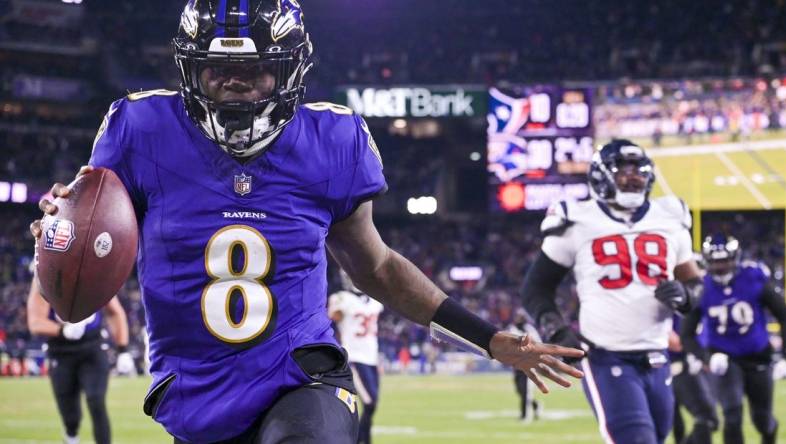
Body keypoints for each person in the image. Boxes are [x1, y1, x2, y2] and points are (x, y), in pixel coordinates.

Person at [30, 1, 584, 443]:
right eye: (217, 69)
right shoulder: (140, 129)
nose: (234, 84)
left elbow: (380, 269)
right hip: (195, 389)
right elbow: (89, 244)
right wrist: (62, 233)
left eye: (254, 71)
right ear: (188, 68)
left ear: (290, 69)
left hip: (301, 374)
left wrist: (488, 339)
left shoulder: (331, 141)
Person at [521, 139, 705, 444]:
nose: (633, 178)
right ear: (602, 176)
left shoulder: (670, 218)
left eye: (639, 172)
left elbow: (696, 284)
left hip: (657, 355)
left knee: (656, 438)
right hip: (607, 356)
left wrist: (686, 296)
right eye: (624, 171)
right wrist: (554, 329)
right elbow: (536, 287)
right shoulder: (577, 219)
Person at [681, 234, 786, 444]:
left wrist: (784, 355)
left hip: (758, 356)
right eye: (715, 261)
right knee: (732, 414)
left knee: (762, 419)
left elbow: (783, 314)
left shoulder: (753, 278)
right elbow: (687, 333)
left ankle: (769, 436)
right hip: (724, 359)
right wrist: (706, 358)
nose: (720, 267)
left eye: (725, 261)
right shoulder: (702, 288)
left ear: (736, 258)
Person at [26, 277, 133, 444]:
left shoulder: (96, 272)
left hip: (92, 347)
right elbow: (35, 322)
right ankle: (71, 436)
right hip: (60, 352)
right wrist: (62, 331)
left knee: (96, 401)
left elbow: (115, 311)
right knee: (71, 417)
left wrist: (123, 349)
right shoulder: (46, 274)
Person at [328, 271, 384, 444]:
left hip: (371, 359)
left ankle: (359, 439)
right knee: (369, 403)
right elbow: (332, 317)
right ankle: (362, 440)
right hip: (354, 358)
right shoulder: (341, 298)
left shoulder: (374, 302)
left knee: (372, 404)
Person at [668, 318, 717, 444]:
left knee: (679, 425)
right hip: (677, 366)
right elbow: (676, 343)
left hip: (687, 364)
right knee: (707, 418)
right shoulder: (673, 303)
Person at [508, 309, 543, 423]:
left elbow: (538, 344)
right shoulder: (512, 329)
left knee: (526, 391)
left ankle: (525, 416)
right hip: (516, 365)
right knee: (520, 390)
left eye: (520, 317)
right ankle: (536, 406)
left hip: (528, 364)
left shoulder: (529, 330)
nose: (518, 319)